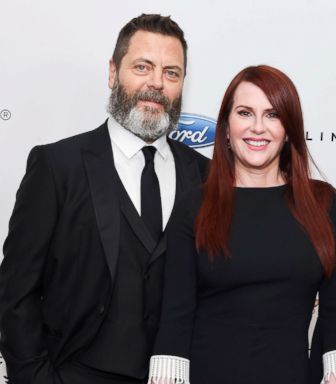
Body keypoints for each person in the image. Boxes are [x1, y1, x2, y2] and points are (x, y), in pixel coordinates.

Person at [0, 14, 209, 384]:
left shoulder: (206, 176)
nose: (156, 83)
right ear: (113, 73)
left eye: (171, 73)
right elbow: (16, 292)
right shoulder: (56, 167)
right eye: (142, 67)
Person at [147, 65, 336, 384]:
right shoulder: (194, 207)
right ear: (226, 126)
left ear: (289, 129)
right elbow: (175, 318)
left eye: (272, 115)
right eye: (244, 113)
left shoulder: (323, 204)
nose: (258, 127)